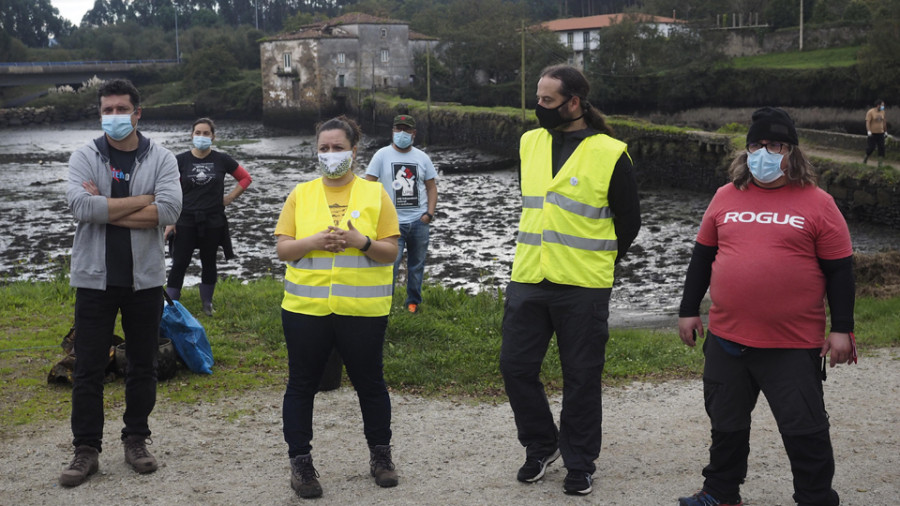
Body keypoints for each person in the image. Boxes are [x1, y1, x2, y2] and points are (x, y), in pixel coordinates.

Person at [676, 107, 856, 506]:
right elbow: (702, 258)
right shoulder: (725, 196)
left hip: (792, 344)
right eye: (757, 144)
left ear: (791, 152)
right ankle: (721, 493)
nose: (765, 153)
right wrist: (688, 309)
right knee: (726, 424)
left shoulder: (819, 203)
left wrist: (842, 328)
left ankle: (815, 497)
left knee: (804, 428)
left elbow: (840, 271)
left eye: (775, 145)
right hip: (726, 339)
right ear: (746, 150)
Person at [499, 64, 641, 496]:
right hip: (529, 275)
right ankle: (542, 445)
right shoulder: (530, 142)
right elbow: (537, 207)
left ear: (573, 103)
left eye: (546, 100)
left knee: (581, 377)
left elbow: (629, 224)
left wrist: (597, 264)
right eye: (538, 98)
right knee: (515, 366)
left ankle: (580, 462)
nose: (538, 107)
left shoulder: (611, 152)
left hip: (583, 285)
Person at [61, 78, 182, 487]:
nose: (113, 116)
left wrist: (106, 207)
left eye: (121, 109)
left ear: (137, 113)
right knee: (88, 367)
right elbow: (79, 205)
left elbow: (169, 211)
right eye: (107, 109)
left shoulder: (161, 158)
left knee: (143, 364)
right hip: (94, 280)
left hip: (144, 280)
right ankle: (86, 449)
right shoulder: (85, 155)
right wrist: (142, 200)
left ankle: (136, 439)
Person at [274, 115, 401, 499]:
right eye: (324, 149)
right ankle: (301, 463)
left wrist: (360, 242)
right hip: (305, 310)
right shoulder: (302, 193)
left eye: (338, 148)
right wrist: (312, 241)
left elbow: (390, 253)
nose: (331, 155)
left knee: (370, 384)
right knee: (300, 385)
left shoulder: (375, 194)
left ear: (354, 150)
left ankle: (381, 456)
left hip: (361, 311)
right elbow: (283, 249)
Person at [165, 117, 253, 316]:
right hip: (185, 219)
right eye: (198, 133)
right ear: (191, 135)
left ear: (213, 137)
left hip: (213, 220)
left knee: (209, 261)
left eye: (206, 133)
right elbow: (169, 189)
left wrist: (229, 198)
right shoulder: (179, 160)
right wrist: (170, 220)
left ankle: (207, 304)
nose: (202, 137)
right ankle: (171, 307)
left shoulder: (222, 159)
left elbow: (245, 178)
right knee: (179, 262)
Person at [365, 114, 438, 313]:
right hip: (390, 224)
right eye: (398, 129)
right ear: (393, 131)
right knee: (390, 266)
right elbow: (368, 185)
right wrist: (374, 215)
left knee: (417, 267)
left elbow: (431, 187)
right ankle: (384, 304)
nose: (402, 133)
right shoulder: (381, 155)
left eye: (406, 129)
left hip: (419, 222)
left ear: (414, 134)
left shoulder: (422, 158)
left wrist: (429, 214)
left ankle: (413, 303)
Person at [864, 99, 887, 165]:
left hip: (880, 133)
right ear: (878, 105)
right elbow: (867, 122)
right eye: (882, 105)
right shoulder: (870, 112)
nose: (883, 106)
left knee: (882, 148)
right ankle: (865, 158)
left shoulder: (883, 112)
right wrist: (869, 131)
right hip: (873, 133)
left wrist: (885, 131)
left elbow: (884, 122)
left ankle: (880, 163)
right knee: (871, 147)